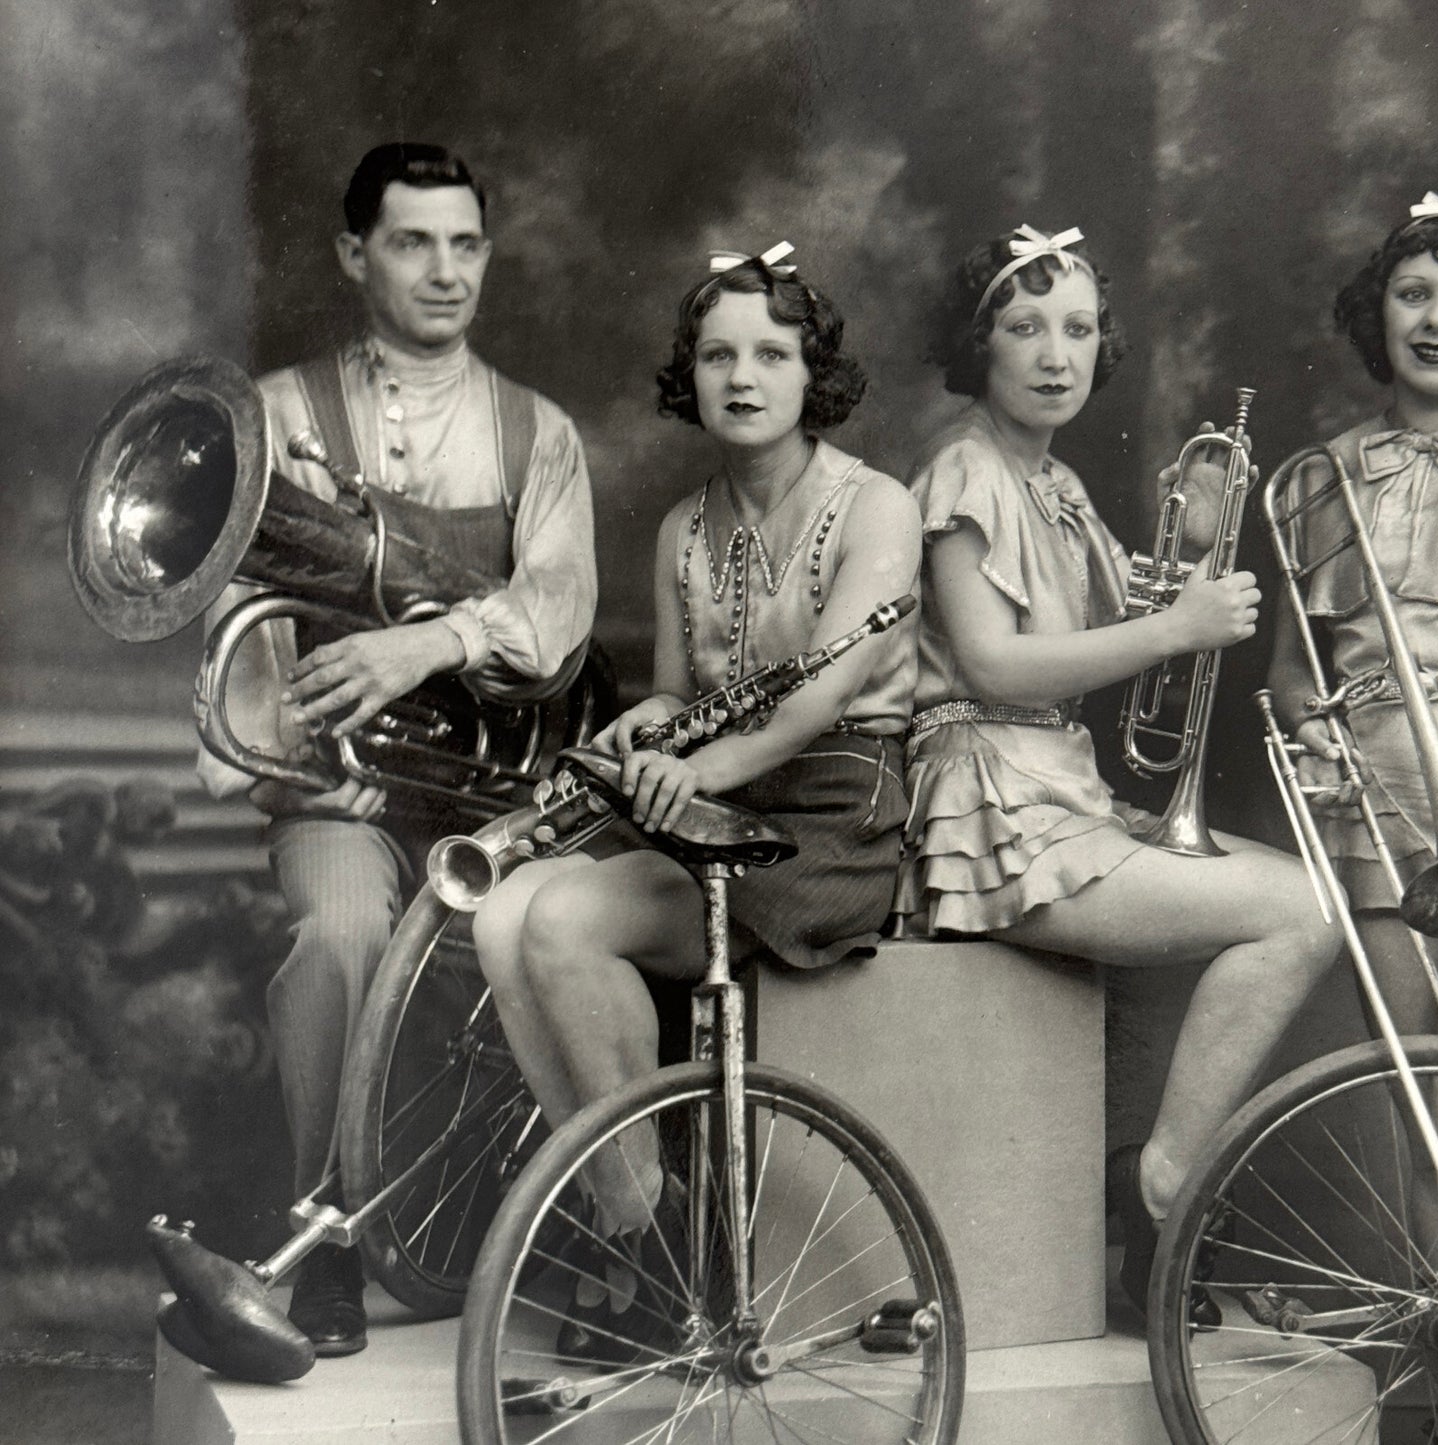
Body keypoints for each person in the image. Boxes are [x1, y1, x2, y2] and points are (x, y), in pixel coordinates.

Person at [468, 243, 920, 1360]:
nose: (742, 375)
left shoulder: (878, 506)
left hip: (828, 809)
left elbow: (826, 684)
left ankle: (646, 1244)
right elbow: (678, 688)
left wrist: (706, 764)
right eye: (716, 353)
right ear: (692, 373)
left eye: (771, 352)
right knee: (497, 914)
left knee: (565, 922)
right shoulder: (682, 526)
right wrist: (646, 726)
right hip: (710, 792)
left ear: (812, 372)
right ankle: (641, 1220)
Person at [891, 224, 1343, 1318]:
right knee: (1301, 915)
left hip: (1055, 788)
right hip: (988, 802)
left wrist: (1186, 549)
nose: (1056, 353)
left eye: (1080, 329)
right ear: (977, 344)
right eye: (1024, 326)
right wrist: (1173, 625)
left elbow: (1114, 617)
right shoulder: (964, 468)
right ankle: (1164, 1189)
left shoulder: (1048, 480)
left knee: (1292, 894)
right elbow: (995, 663)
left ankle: (1141, 1193)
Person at [195, 142, 597, 1355]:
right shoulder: (271, 413)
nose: (443, 270)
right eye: (412, 241)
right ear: (351, 254)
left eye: (464, 243)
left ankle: (560, 1231)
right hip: (336, 790)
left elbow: (559, 611)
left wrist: (419, 649)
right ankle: (323, 1233)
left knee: (562, 935)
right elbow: (234, 630)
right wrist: (304, 736)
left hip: (489, 785)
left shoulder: (539, 433)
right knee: (340, 934)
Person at [1268, 191, 1438, 1232]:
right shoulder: (1321, 475)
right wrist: (1312, 727)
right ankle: (1436, 1367)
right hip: (1378, 786)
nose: (1433, 317)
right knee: (1419, 1091)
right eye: (1410, 293)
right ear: (1373, 316)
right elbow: (1295, 665)